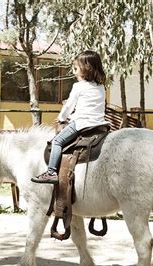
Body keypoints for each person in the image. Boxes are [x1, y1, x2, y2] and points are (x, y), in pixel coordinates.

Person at [31, 50, 108, 184]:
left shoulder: (78, 86)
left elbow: (68, 107)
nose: (73, 70)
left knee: (57, 141)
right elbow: (91, 107)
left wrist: (62, 118)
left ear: (85, 69)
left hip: (82, 123)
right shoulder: (101, 87)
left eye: (76, 68)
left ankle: (51, 172)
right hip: (99, 124)